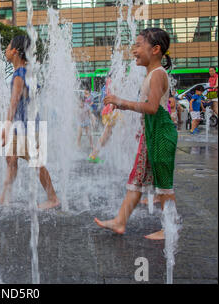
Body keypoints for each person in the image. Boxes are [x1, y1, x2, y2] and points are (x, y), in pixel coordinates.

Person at [94, 28, 178, 240]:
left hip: (160, 134)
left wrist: (122, 102)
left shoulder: (158, 74)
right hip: (151, 133)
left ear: (156, 49)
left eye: (139, 45)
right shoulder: (151, 74)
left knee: (164, 185)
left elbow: (152, 108)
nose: (134, 50)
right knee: (137, 178)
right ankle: (120, 221)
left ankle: (170, 228)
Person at [0, 35, 60, 210]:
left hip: (26, 127)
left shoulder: (20, 74)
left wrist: (6, 125)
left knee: (36, 162)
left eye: (8, 46)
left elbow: (14, 101)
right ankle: (5, 196)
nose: (5, 50)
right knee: (11, 159)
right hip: (24, 125)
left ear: (15, 52)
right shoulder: (27, 71)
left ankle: (53, 197)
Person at [88, 76, 120, 163]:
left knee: (108, 135)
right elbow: (115, 96)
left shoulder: (108, 83)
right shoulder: (114, 80)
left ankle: (99, 154)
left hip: (109, 111)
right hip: (111, 112)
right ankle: (94, 154)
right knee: (106, 135)